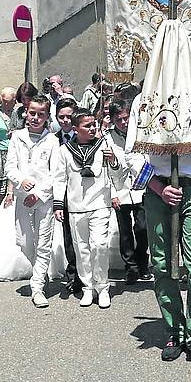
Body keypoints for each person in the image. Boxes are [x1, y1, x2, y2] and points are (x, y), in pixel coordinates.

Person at [127, 81, 191, 370]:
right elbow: (132, 153)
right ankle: (174, 330)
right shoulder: (143, 100)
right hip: (159, 191)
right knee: (162, 263)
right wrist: (158, 187)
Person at [53, 110, 127, 308]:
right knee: (81, 249)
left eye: (94, 124)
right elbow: (60, 179)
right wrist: (59, 204)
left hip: (100, 203)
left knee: (99, 245)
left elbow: (117, 175)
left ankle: (103, 287)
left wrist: (113, 161)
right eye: (87, 125)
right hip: (77, 206)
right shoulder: (65, 150)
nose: (93, 128)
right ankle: (87, 287)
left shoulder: (104, 145)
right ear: (76, 129)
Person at [1, 94, 59, 306]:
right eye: (32, 113)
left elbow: (56, 173)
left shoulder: (52, 140)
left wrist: (40, 194)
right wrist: (21, 180)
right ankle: (39, 270)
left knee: (44, 243)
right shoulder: (17, 137)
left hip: (44, 200)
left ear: (46, 117)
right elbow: (10, 166)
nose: (35, 118)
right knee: (25, 241)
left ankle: (37, 286)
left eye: (40, 115)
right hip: (23, 198)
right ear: (26, 113)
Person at [108, 99, 150, 284]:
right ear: (112, 120)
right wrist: (112, 194)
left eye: (126, 118)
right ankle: (130, 267)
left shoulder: (140, 133)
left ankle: (142, 262)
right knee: (124, 232)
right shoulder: (107, 138)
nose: (123, 123)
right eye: (119, 120)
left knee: (142, 227)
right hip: (120, 189)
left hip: (140, 188)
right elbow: (105, 172)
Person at [53, 98, 83, 297]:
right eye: (61, 117)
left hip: (82, 194)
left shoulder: (84, 137)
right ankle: (73, 276)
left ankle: (86, 274)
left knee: (84, 237)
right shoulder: (52, 139)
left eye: (68, 117)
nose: (65, 121)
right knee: (68, 237)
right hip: (63, 194)